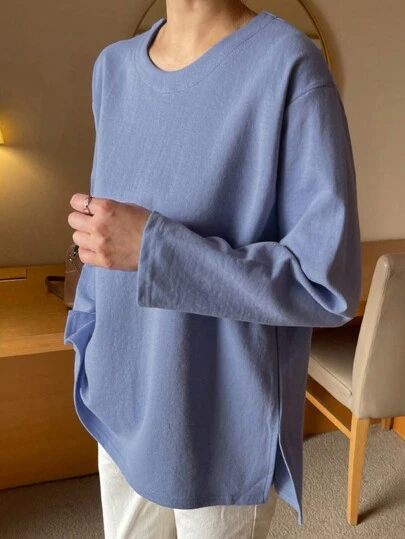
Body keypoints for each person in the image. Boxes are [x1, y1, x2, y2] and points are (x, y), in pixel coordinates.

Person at [64, 0, 362, 537]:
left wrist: (155, 250)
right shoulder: (112, 69)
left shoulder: (289, 66)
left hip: (221, 425)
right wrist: (87, 333)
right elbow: (105, 231)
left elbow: (325, 283)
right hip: (119, 400)